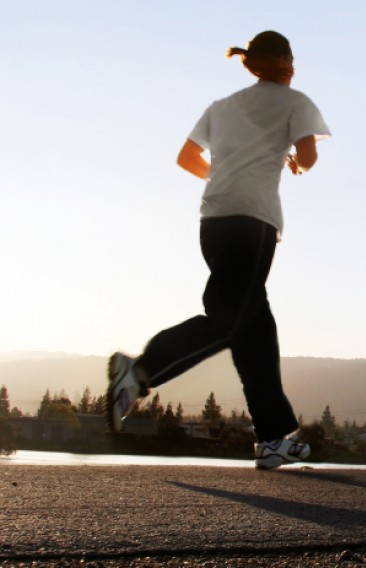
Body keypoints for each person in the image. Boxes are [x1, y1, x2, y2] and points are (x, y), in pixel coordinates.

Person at [106, 31, 330, 470]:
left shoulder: (222, 106)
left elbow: (187, 158)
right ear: (286, 62)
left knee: (255, 329)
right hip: (254, 220)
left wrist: (225, 173)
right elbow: (308, 158)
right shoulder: (296, 102)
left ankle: (273, 439)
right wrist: (292, 162)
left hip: (213, 221)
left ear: (252, 63)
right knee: (231, 321)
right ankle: (141, 372)